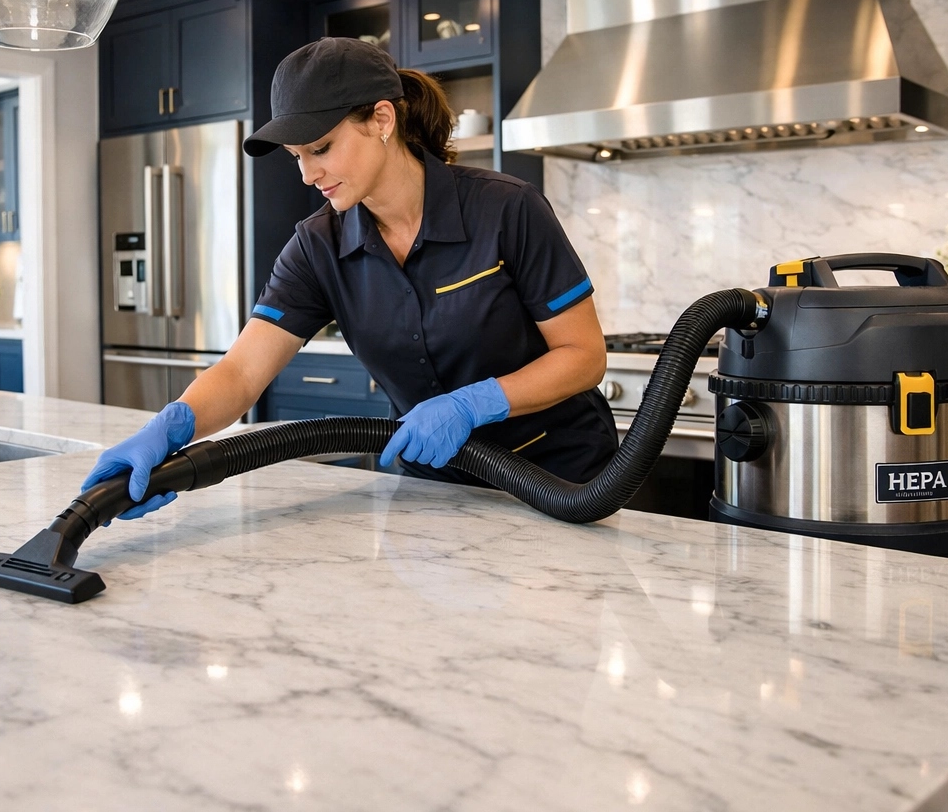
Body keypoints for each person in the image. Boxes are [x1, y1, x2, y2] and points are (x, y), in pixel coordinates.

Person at [82, 37, 614, 519]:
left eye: (320, 149)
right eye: (296, 157)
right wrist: (171, 426)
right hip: (432, 491)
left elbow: (584, 356)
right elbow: (242, 372)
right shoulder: (317, 247)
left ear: (382, 119)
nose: (307, 174)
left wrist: (473, 404)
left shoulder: (506, 209)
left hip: (561, 481)